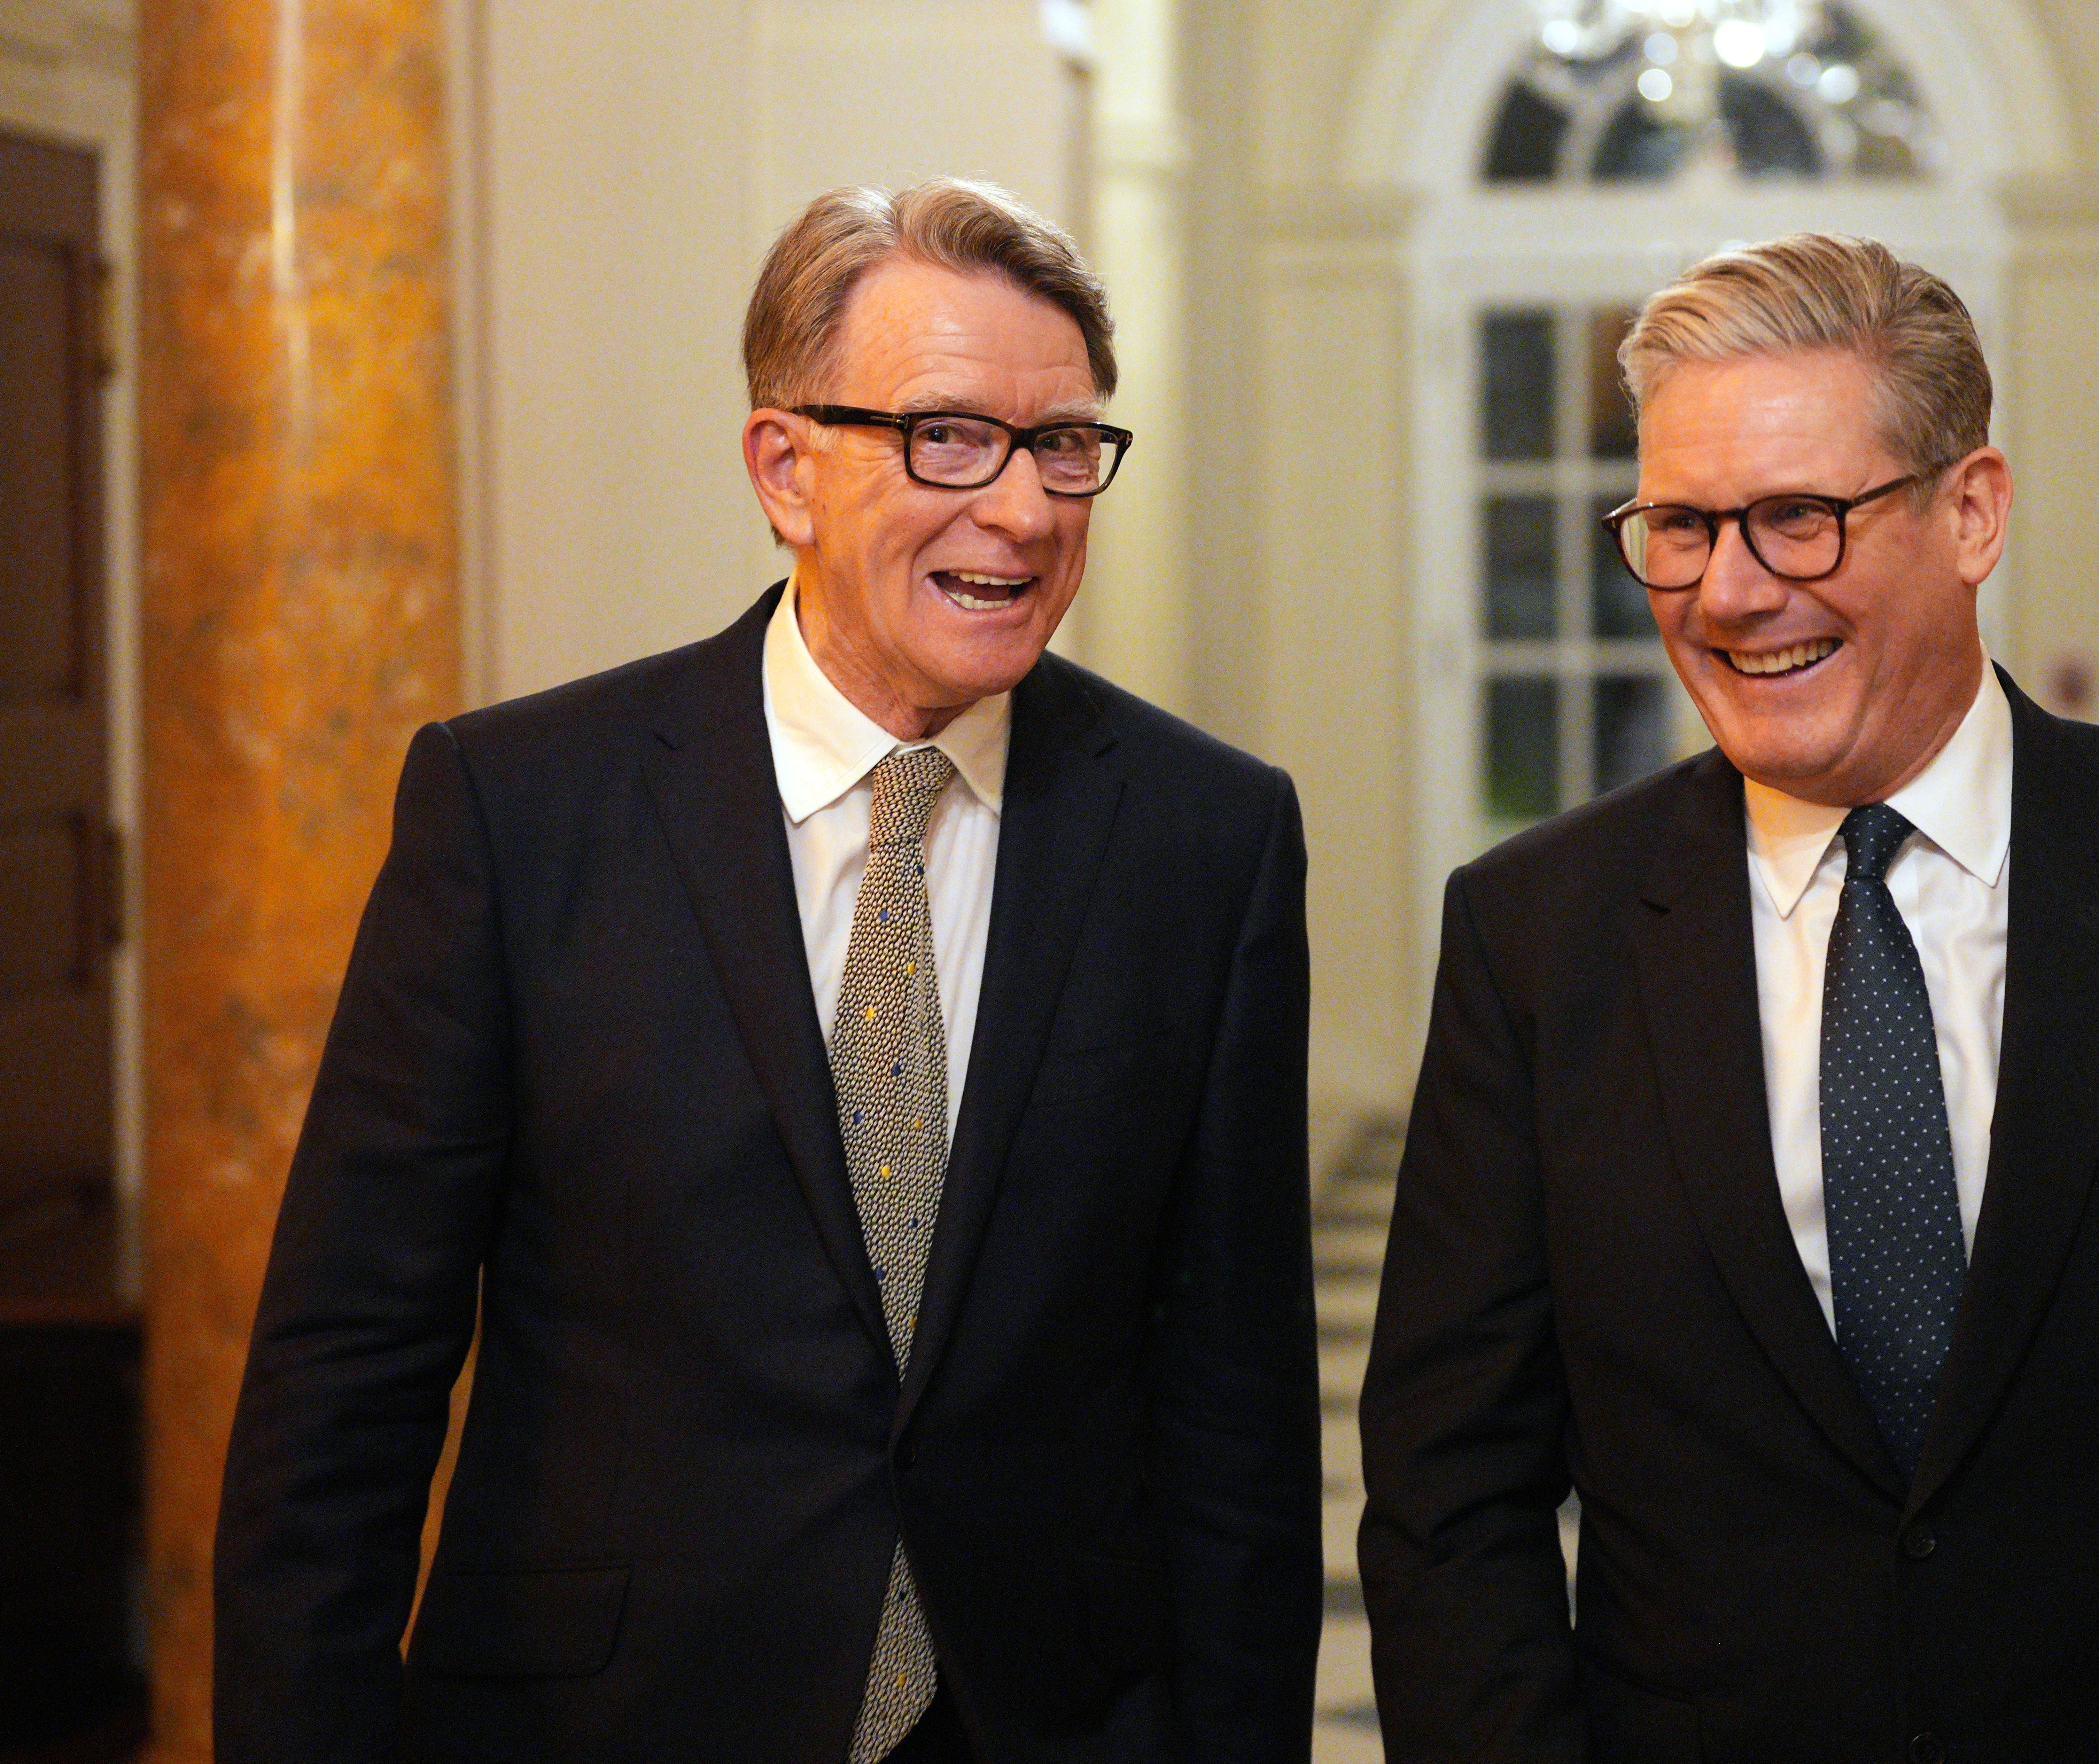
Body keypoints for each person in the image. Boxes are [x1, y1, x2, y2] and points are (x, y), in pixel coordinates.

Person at [1358, 233, 2099, 1762]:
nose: (1729, 592)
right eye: (1679, 527)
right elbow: (1453, 1502)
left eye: (1795, 519)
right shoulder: (1537, 933)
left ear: (1970, 511)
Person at [214, 180, 1320, 1763]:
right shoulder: (519, 811)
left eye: (1063, 444)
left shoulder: (1207, 838)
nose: (1018, 509)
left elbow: (1237, 1414)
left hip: (1051, 1714)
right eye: (946, 436)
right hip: (612, 1716)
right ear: (785, 469)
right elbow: (347, 1372)